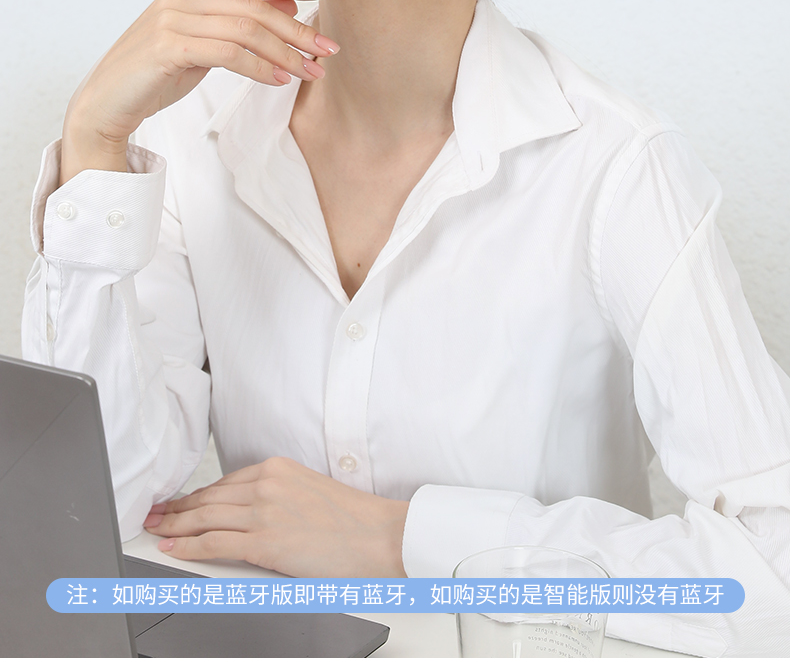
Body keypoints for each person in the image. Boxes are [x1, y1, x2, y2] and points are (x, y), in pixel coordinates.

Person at [21, 0, 790, 656]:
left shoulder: (617, 169)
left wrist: (403, 539)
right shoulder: (186, 132)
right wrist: (94, 141)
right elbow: (91, 514)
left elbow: (773, 574)